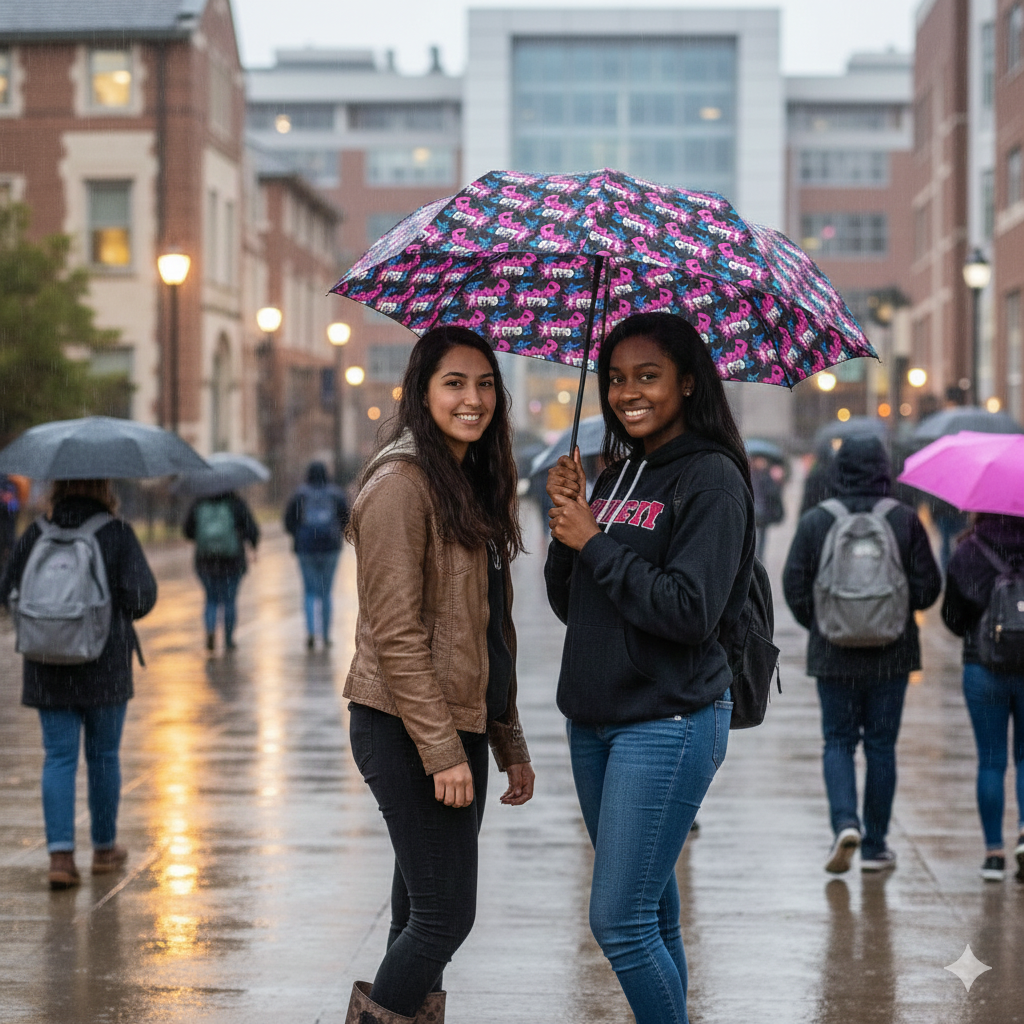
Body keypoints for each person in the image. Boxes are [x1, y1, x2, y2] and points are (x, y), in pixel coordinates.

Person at [544, 312, 754, 1024]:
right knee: (652, 916)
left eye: (647, 376)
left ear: (688, 383)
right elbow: (575, 605)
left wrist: (596, 540)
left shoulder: (711, 478)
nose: (626, 392)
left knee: (619, 924)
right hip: (596, 720)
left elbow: (690, 609)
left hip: (667, 720)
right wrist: (568, 522)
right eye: (614, 378)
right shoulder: (619, 471)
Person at [343, 326, 535, 1024]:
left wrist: (507, 741)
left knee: (420, 916)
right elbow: (396, 635)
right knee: (446, 915)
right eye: (454, 383)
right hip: (403, 726)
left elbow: (487, 635)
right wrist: (443, 750)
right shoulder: (401, 485)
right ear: (422, 392)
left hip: (455, 725)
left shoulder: (466, 485)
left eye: (486, 383)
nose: (473, 398)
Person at [782, 436, 941, 874]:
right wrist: (894, 613)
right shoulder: (903, 520)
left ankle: (844, 824)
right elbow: (928, 589)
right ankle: (875, 845)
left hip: (833, 653)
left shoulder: (818, 520)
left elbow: (794, 585)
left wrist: (825, 623)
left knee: (838, 740)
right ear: (884, 470)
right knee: (881, 746)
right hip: (892, 654)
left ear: (837, 468)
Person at [0, 478, 157, 889]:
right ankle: (104, 849)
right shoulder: (116, 531)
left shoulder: (36, 532)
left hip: (47, 664)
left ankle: (61, 857)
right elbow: (143, 596)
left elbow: (7, 590)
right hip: (104, 665)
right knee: (103, 755)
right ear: (104, 486)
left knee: (58, 758)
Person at [941, 512, 1024, 882]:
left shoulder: (968, 550)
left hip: (983, 665)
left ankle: (993, 853)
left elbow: (951, 617)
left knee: (990, 761)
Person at [283, 461, 349, 649]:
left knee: (310, 592)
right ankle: (326, 635)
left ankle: (311, 632)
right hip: (330, 548)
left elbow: (288, 522)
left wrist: (298, 535)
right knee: (326, 593)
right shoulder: (335, 494)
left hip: (306, 548)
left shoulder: (299, 495)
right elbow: (347, 518)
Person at [183, 490, 259, 651]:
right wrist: (251, 543)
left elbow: (187, 531)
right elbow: (252, 529)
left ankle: (210, 630)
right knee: (229, 601)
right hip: (232, 562)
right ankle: (229, 639)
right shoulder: (236, 503)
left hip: (205, 562)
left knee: (211, 599)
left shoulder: (199, 502)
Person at [751, 454, 785, 560]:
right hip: (754, 510)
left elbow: (774, 494)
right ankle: (754, 558)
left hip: (763, 511)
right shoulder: (750, 475)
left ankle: (758, 558)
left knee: (761, 537)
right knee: (754, 536)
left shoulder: (766, 476)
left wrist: (778, 482)